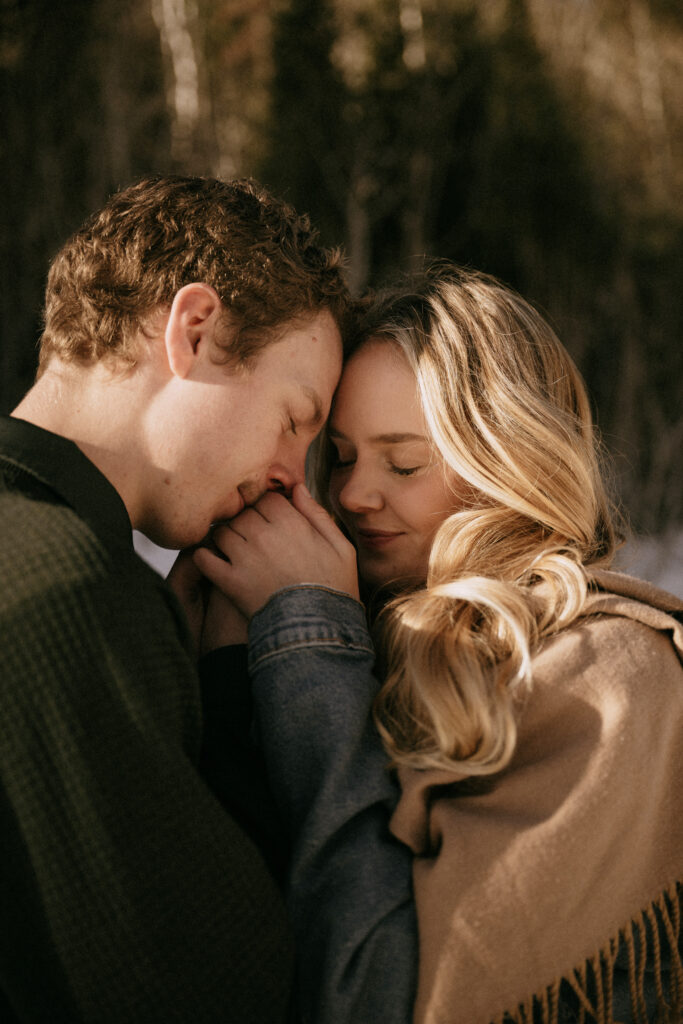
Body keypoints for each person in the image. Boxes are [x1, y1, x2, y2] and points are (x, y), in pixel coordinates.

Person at [196, 264, 683, 1024]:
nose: (352, 495)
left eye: (405, 462)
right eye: (344, 456)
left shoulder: (606, 674)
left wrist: (309, 636)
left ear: (507, 462)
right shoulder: (368, 627)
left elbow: (380, 997)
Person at [0, 173, 356, 1023]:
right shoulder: (66, 588)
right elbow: (228, 991)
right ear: (193, 330)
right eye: (294, 418)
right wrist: (239, 677)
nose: (290, 477)